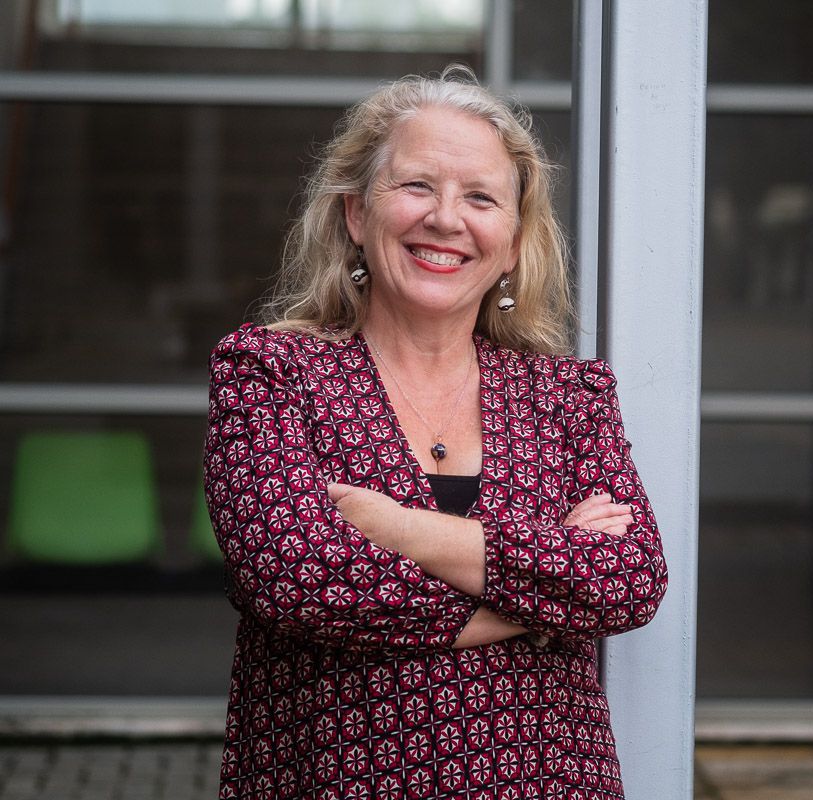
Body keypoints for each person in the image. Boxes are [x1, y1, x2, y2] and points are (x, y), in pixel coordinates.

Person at [203, 66, 668, 800]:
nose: (446, 219)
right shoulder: (270, 373)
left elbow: (628, 581)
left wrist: (396, 529)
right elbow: (297, 581)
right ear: (356, 214)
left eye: (481, 197)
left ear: (513, 243)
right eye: (417, 185)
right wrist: (542, 604)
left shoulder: (567, 396)